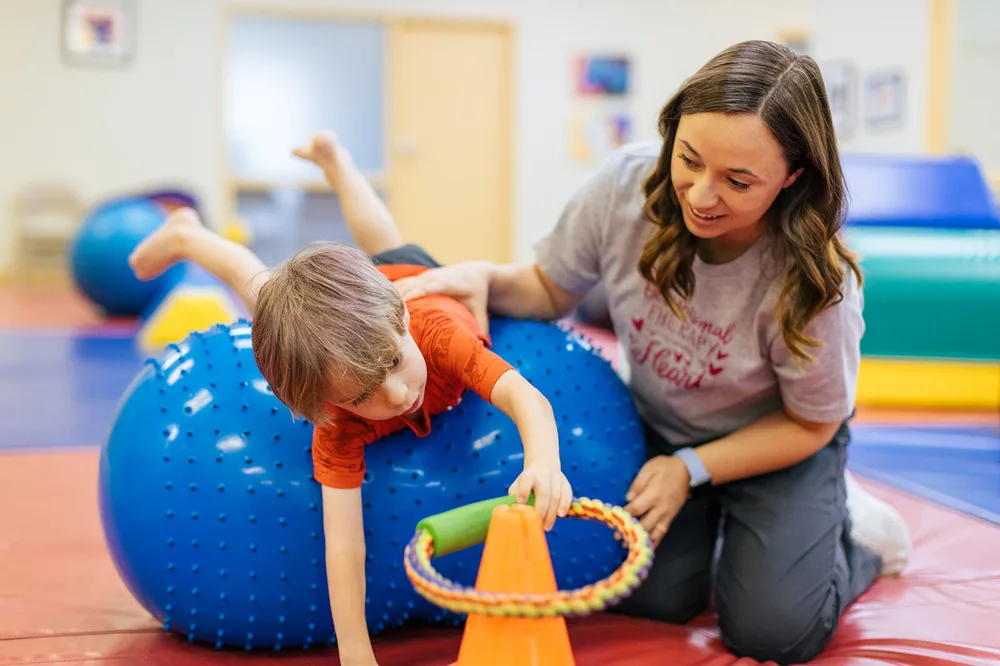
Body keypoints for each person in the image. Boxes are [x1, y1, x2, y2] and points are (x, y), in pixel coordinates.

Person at [391, 40, 912, 664]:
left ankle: (858, 536)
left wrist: (690, 469)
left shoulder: (816, 284)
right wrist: (486, 278)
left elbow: (813, 422)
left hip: (780, 446)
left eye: (739, 181)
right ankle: (743, 540)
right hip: (662, 429)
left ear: (793, 177)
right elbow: (550, 287)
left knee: (774, 632)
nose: (699, 195)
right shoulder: (625, 186)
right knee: (652, 595)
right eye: (689, 159)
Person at [127, 130, 573, 666]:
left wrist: (544, 463)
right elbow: (344, 545)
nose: (398, 393)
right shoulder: (336, 415)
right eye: (366, 396)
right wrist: (355, 652)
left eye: (394, 365)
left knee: (388, 240)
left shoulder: (432, 335)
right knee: (264, 291)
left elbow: (529, 399)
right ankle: (188, 234)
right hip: (350, 323)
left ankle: (337, 162)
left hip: (412, 282)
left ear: (404, 324)